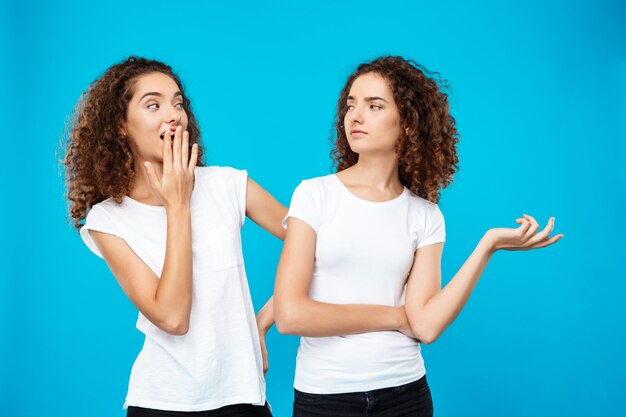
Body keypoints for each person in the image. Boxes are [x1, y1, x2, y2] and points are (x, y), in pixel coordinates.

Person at [274, 56, 563, 417]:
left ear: (408, 125)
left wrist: (487, 247)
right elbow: (290, 315)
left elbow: (425, 325)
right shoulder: (314, 195)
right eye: (351, 105)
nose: (355, 116)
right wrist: (395, 317)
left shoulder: (426, 216)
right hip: (325, 396)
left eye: (373, 105)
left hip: (405, 395)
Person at [63, 56, 284, 416]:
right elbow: (173, 317)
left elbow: (317, 246)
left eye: (178, 103)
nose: (174, 114)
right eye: (154, 104)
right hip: (161, 402)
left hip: (243, 396)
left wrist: (260, 324)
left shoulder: (227, 185)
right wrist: (177, 206)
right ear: (121, 125)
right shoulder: (108, 220)